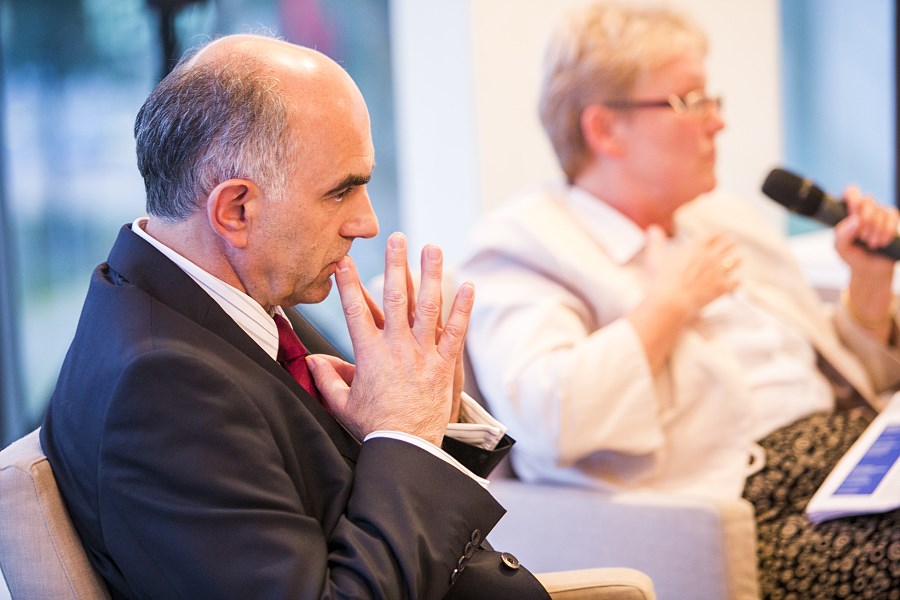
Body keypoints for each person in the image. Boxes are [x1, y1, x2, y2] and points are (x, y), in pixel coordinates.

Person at [40, 34, 551, 599]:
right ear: (236, 210)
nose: (366, 223)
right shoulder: (162, 387)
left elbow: (350, 496)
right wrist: (408, 438)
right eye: (341, 192)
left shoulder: (226, 302)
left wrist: (426, 415)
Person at [459, 2, 900, 597]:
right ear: (604, 129)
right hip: (756, 507)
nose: (718, 122)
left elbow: (843, 378)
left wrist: (869, 285)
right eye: (691, 101)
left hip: (852, 457)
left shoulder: (721, 218)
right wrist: (669, 305)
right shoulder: (526, 246)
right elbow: (551, 419)